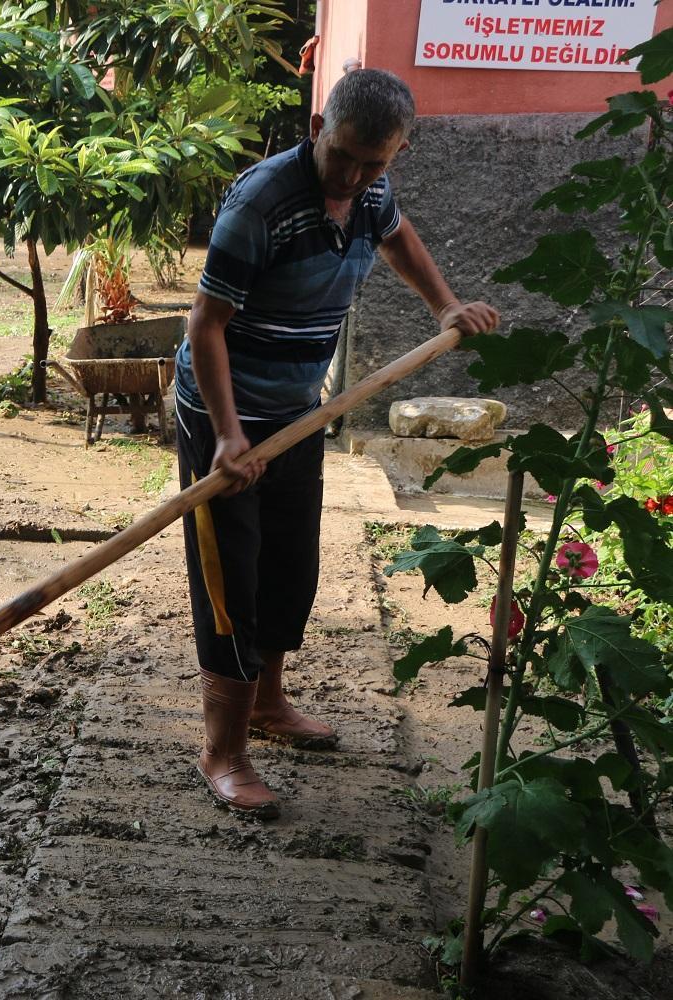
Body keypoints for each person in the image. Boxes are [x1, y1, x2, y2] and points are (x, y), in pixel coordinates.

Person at [174, 69, 498, 818]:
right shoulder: (261, 203)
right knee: (231, 583)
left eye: (372, 163)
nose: (352, 175)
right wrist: (229, 435)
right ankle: (223, 753)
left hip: (298, 412)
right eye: (342, 155)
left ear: (398, 153)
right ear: (318, 126)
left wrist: (446, 305)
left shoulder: (372, 193)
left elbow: (398, 236)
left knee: (290, 563)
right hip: (225, 415)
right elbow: (206, 325)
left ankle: (268, 702)